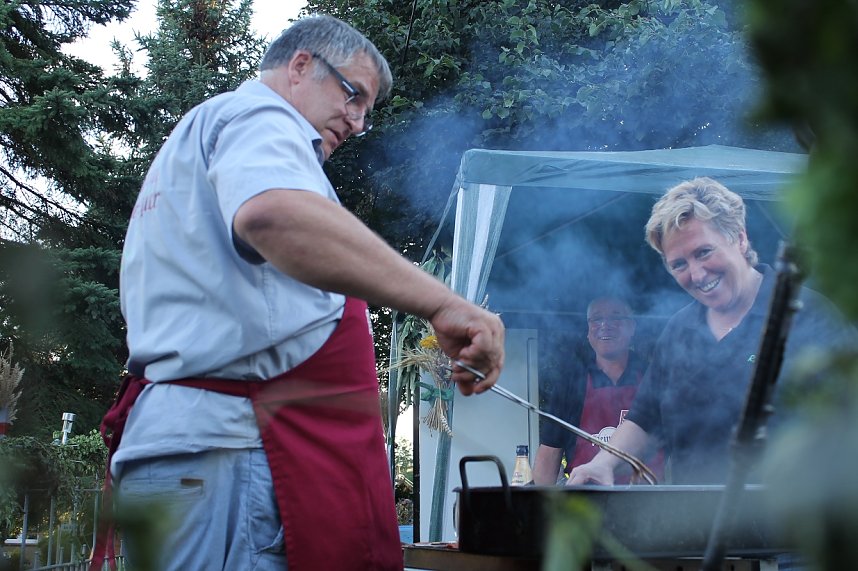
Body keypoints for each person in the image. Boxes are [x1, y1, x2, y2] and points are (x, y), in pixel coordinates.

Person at [91, 15, 504, 571]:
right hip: (230, 459)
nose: (357, 122)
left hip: (194, 449)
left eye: (367, 110)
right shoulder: (260, 114)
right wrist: (444, 303)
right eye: (352, 95)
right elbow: (275, 215)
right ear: (301, 65)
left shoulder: (204, 130)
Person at [568, 177, 853, 487]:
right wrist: (604, 463)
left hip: (790, 524)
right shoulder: (679, 330)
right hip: (690, 526)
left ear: (740, 239)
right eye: (679, 264)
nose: (697, 274)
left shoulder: (808, 316)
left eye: (704, 252)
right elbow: (646, 420)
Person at [533, 296, 661, 485]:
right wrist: (539, 507)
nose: (605, 325)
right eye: (597, 319)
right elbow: (550, 452)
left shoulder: (653, 377)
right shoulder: (571, 382)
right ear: (588, 330)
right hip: (586, 500)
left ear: (632, 327)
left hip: (647, 500)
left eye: (615, 318)